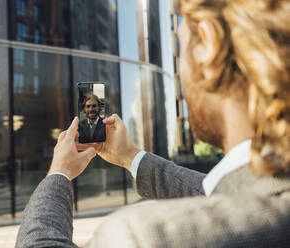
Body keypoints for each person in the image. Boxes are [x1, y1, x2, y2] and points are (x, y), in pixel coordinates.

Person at [16, 0, 290, 247]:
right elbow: (218, 191)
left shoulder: (141, 236)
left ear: (208, 44)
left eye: (182, 48)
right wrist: (129, 156)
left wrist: (59, 173)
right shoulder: (270, 194)